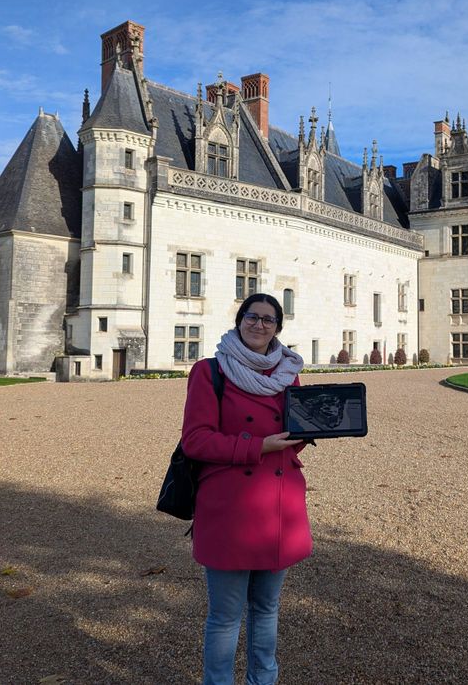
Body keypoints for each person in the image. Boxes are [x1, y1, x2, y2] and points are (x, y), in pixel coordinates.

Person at [181, 293, 310, 685]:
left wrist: (313, 429)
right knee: (225, 616)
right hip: (231, 509)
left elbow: (294, 436)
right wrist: (257, 447)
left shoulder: (288, 372)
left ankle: (262, 681)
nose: (259, 324)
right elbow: (196, 440)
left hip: (278, 508)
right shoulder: (211, 371)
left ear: (278, 328)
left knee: (267, 609)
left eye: (268, 320)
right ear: (239, 320)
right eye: (252, 316)